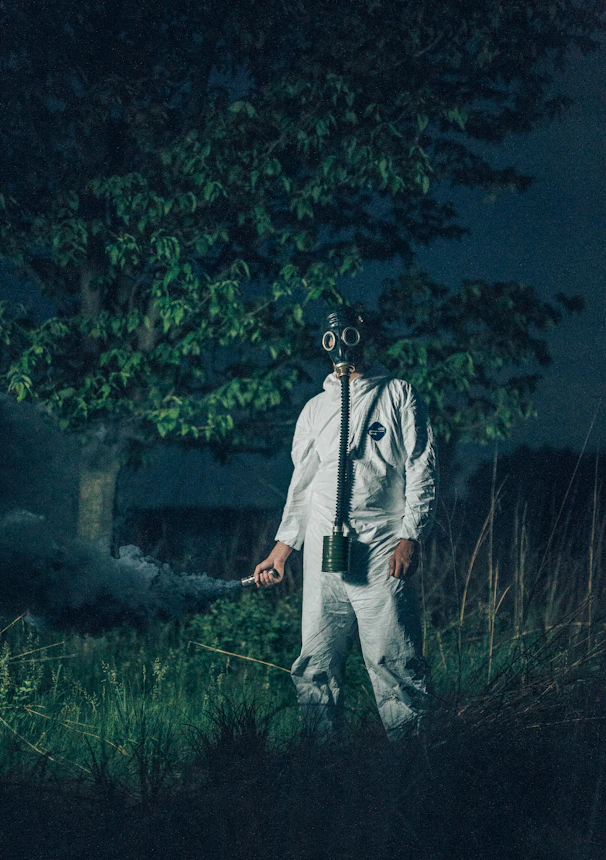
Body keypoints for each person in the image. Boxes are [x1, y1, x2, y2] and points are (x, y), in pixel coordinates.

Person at [254, 307, 438, 739]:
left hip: (380, 546)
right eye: (332, 337)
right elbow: (302, 483)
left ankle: (411, 763)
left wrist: (411, 535)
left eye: (349, 335)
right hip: (323, 549)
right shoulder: (317, 408)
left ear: (365, 338)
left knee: (394, 660)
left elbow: (421, 466)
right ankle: (322, 766)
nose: (342, 345)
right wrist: (283, 549)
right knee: (315, 662)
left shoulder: (398, 393)